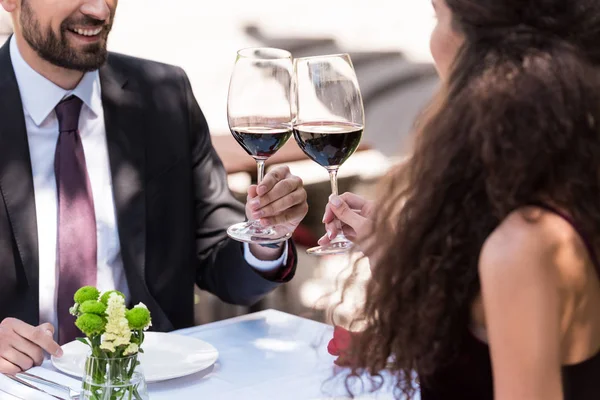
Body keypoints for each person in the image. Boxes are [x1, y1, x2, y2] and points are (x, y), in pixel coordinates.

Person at [0, 0, 308, 373]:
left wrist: (266, 238)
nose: (99, 10)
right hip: (20, 382)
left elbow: (219, 261)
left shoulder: (165, 94)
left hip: (156, 377)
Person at [321, 0, 600, 399]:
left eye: (437, 16)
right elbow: (474, 346)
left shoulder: (524, 246)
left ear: (481, 46)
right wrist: (388, 249)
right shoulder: (560, 195)